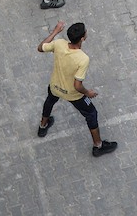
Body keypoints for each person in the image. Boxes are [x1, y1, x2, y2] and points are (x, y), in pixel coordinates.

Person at [35, 19, 117, 157]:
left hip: (55, 86)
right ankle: (98, 146)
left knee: (50, 100)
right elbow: (77, 86)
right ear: (83, 38)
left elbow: (40, 47)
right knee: (91, 114)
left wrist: (55, 31)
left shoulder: (59, 43)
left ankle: (43, 126)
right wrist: (88, 92)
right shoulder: (82, 58)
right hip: (73, 94)